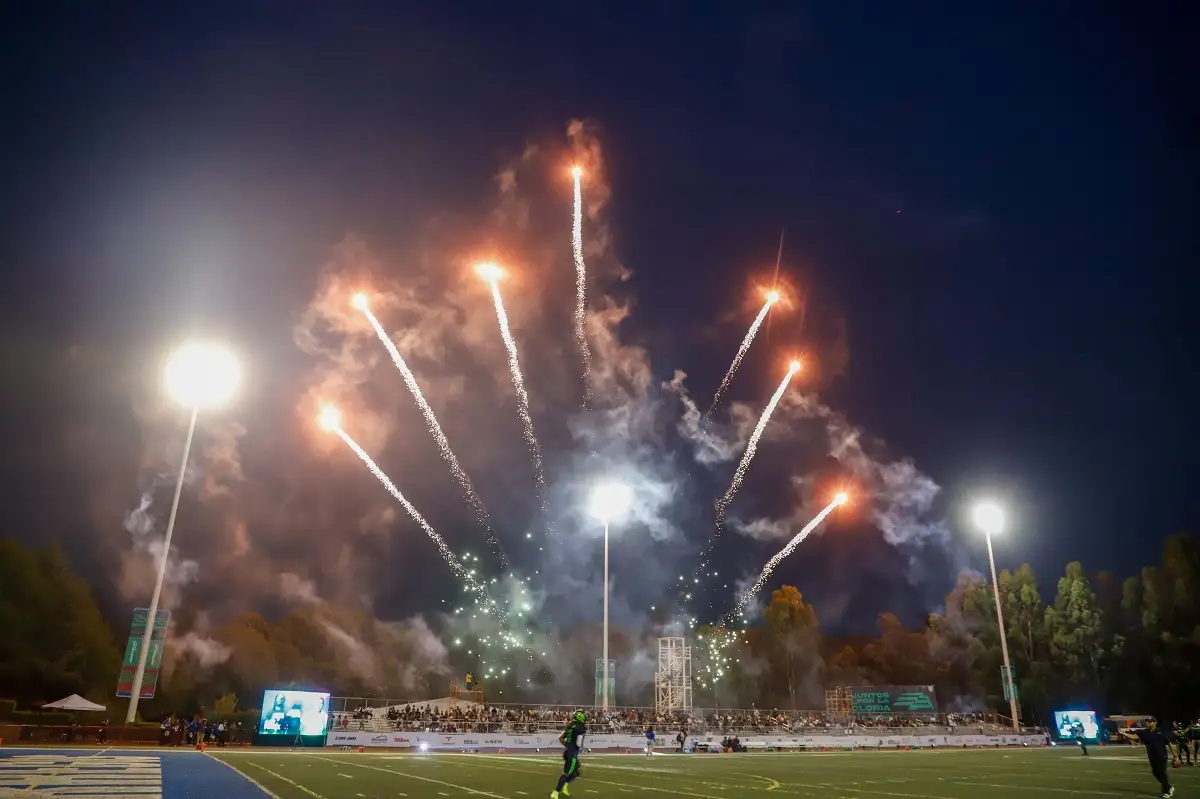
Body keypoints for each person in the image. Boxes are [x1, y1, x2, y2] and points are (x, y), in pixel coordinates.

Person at [1119, 717, 1175, 798]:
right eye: (1147, 721)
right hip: (1152, 757)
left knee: (1162, 773)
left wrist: (1175, 756)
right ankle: (1169, 787)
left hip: (1162, 756)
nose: (1148, 723)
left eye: (1150, 721)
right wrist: (1123, 733)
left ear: (1155, 722)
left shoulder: (1161, 732)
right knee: (1156, 773)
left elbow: (1170, 744)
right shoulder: (1145, 732)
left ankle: (1166, 792)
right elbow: (1134, 736)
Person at [549, 711, 586, 799]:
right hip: (572, 753)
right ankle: (555, 792)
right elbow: (579, 744)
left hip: (568, 752)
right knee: (567, 774)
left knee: (577, 771)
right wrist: (576, 747)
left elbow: (561, 738)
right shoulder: (580, 727)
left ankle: (564, 785)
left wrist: (568, 745)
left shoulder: (570, 726)